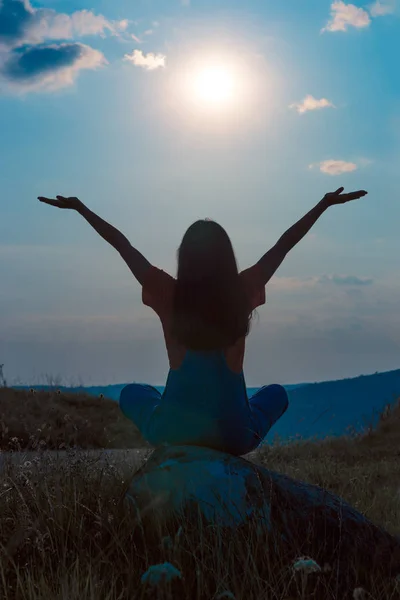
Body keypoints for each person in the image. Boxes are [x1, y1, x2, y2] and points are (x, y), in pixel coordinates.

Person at [38, 186, 368, 455]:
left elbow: (123, 245)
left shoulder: (169, 294)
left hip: (172, 432)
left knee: (133, 393)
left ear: (185, 257)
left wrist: (81, 209)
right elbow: (283, 245)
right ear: (227, 257)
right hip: (236, 436)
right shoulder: (242, 291)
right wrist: (322, 204)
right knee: (276, 394)